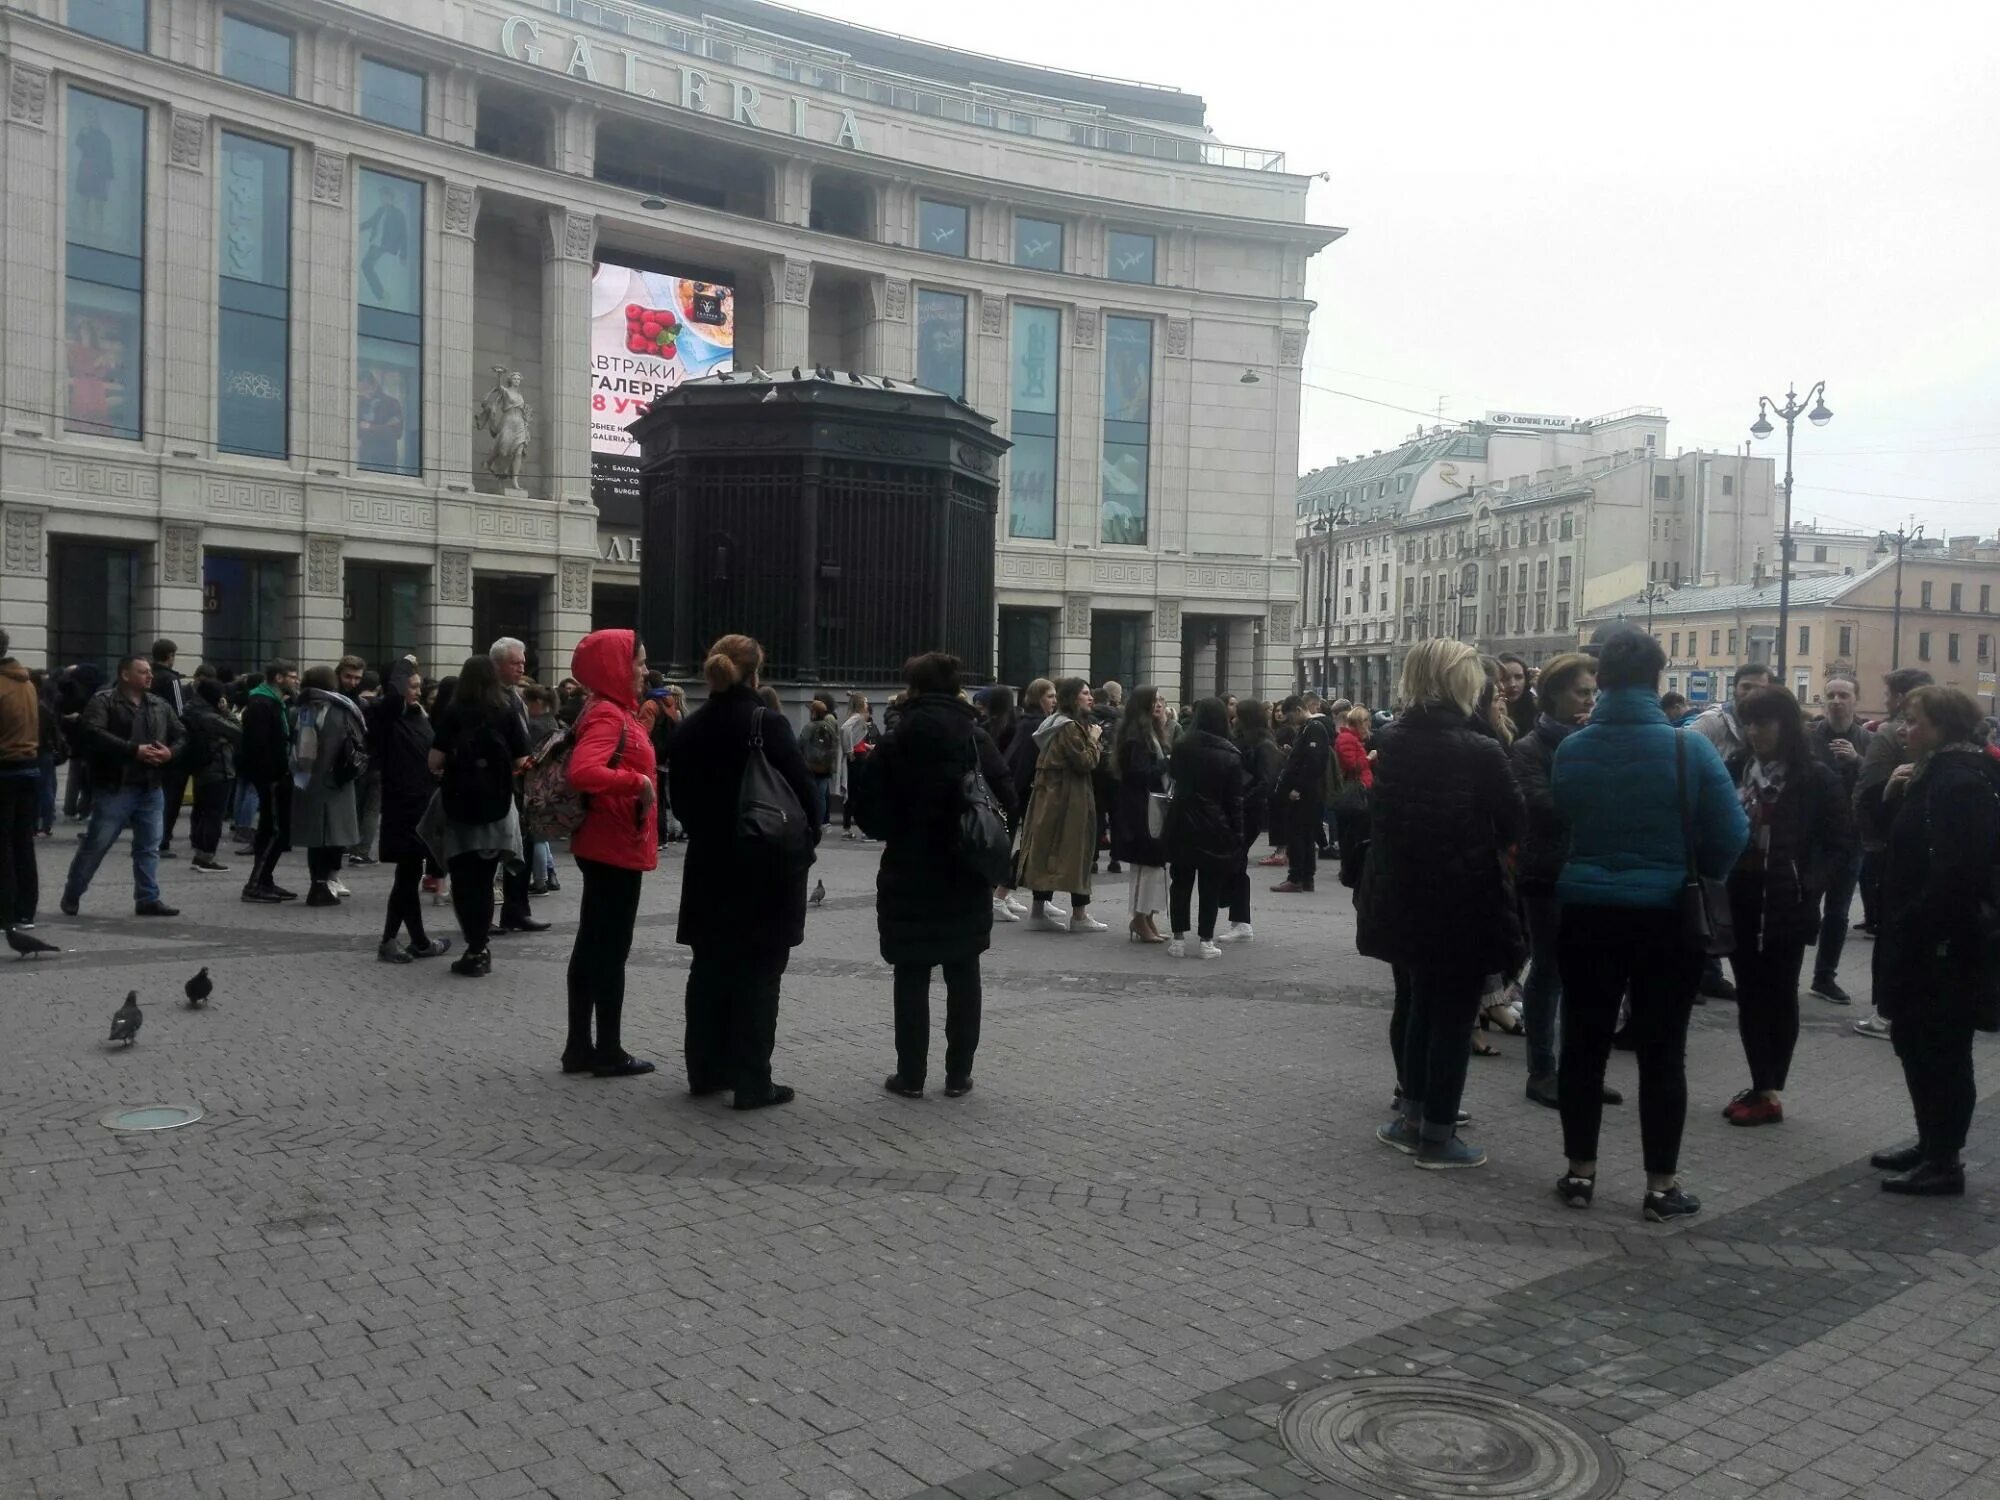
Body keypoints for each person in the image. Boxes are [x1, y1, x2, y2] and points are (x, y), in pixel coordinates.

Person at [1551, 628, 1748, 1220]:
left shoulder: (1572, 749)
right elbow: (1733, 833)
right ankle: (1661, 1186)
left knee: (1582, 1044)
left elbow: (1564, 819)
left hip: (1586, 909)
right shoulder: (1690, 749)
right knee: (1664, 1051)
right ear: (1658, 680)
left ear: (1602, 682)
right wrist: (1697, 872)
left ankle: (1579, 1173)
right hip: (1667, 914)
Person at [1357, 640, 1525, 1170]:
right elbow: (1517, 821)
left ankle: (1410, 1116)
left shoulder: (1392, 738)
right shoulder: (1479, 749)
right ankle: (1438, 1134)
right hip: (1461, 899)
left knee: (1419, 1006)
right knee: (1451, 1018)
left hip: (1403, 895)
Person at [667, 634, 820, 1109]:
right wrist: (805, 843)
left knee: (709, 966)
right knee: (759, 972)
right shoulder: (765, 723)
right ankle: (753, 1080)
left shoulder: (690, 727)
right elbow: (805, 796)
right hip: (763, 868)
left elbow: (683, 803)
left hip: (710, 866)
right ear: (756, 673)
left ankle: (705, 1069)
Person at [854, 653, 1013, 1098]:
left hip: (910, 870)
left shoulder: (896, 740)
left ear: (915, 690)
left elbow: (868, 812)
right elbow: (1008, 798)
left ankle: (910, 1075)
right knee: (964, 971)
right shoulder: (976, 738)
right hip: (966, 871)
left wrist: (900, 828)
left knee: (911, 973)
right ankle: (959, 1074)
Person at [1870, 686, 2000, 1195]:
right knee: (1913, 1039)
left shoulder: (1961, 781)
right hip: (1918, 933)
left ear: (1943, 726)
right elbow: (1889, 837)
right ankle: (1930, 1142)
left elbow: (1959, 869)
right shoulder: (1930, 774)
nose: (1905, 730)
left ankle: (1945, 1160)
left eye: (1914, 721)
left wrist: (1917, 919)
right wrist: (1887, 793)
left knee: (1942, 1047)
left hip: (1945, 941)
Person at [1719, 686, 1855, 1127]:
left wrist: (1807, 884)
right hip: (1740, 896)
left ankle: (1770, 1087)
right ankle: (1763, 1085)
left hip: (1786, 902)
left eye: (1765, 722)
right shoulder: (1737, 766)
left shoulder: (1814, 775)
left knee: (1779, 995)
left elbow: (1839, 843)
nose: (1756, 731)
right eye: (1750, 723)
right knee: (1750, 995)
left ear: (1786, 724)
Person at [1508, 653, 1608, 1110]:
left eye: (1593, 692)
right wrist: (1586, 749)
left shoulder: (1598, 739)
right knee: (1548, 972)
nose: (1590, 699)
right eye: (1581, 692)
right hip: (1546, 873)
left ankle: (1580, 1070)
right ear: (1553, 695)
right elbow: (1545, 808)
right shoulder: (1530, 747)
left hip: (1592, 870)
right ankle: (1541, 1070)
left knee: (1587, 977)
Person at [561, 629, 661, 1078]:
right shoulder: (608, 714)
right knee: (610, 950)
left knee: (592, 945)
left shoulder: (611, 710)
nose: (643, 671)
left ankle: (581, 1046)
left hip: (607, 842)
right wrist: (636, 783)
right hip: (613, 845)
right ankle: (608, 1049)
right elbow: (584, 770)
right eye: (638, 662)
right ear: (617, 667)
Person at [60, 655, 185, 918]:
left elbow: (182, 734)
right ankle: (73, 893)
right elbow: (92, 733)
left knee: (149, 846)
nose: (149, 676)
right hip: (116, 786)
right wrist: (133, 751)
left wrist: (170, 753)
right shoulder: (104, 701)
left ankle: (148, 898)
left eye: (150, 671)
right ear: (125, 675)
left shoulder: (159, 704)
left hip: (150, 785)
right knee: (97, 844)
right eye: (143, 672)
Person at [427, 654, 529, 977]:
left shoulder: (453, 712)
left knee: (463, 880)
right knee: (485, 882)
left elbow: (434, 761)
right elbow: (522, 758)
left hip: (459, 809)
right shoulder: (508, 711)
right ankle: (480, 948)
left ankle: (471, 946)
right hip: (497, 811)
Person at [1852, 667, 1933, 1038]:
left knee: (1892, 934)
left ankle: (1886, 1012)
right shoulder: (1961, 747)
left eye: (1889, 695)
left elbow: (1867, 792)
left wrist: (1870, 838)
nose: (1885, 703)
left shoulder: (1888, 734)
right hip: (1928, 856)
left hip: (1891, 849)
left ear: (1901, 698)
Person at [367, 658, 449, 964]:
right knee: (407, 875)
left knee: (410, 874)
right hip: (403, 807)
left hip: (421, 805)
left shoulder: (417, 715)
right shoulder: (385, 715)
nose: (416, 691)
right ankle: (389, 940)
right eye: (411, 686)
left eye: (418, 686)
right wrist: (404, 663)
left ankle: (419, 940)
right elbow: (393, 695)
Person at [1015, 678, 1106, 932]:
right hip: (1069, 798)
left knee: (1047, 849)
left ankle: (1039, 911)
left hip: (1050, 797)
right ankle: (1079, 915)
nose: (1091, 698)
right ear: (1072, 698)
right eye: (1085, 693)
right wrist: (1094, 739)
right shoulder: (1071, 728)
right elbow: (1085, 762)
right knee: (1076, 850)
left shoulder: (1053, 723)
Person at [1805, 678, 1874, 1006]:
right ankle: (1787, 971)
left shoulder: (1868, 740)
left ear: (1855, 701)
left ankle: (1824, 977)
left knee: (1838, 912)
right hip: (1811, 836)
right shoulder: (1808, 737)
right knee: (1804, 905)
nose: (1836, 701)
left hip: (1851, 838)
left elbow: (1879, 785)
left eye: (1843, 695)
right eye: (1830, 695)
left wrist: (1857, 761)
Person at [1163, 698, 1244, 959]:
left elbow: (1174, 777)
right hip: (1215, 824)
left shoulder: (1182, 746)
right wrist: (1237, 833)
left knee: (1180, 882)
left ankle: (1177, 938)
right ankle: (1206, 940)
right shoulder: (1230, 753)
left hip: (1181, 820)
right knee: (1210, 885)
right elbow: (1234, 800)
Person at [291, 665, 366, 908]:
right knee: (334, 834)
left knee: (317, 838)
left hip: (309, 779)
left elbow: (301, 750)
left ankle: (318, 884)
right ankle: (326, 884)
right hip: (337, 780)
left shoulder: (304, 709)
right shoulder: (342, 709)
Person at [488, 637, 549, 936]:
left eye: (523, 661)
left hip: (520, 785)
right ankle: (482, 915)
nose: (521, 667)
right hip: (496, 787)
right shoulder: (488, 698)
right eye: (515, 662)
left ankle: (517, 911)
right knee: (488, 855)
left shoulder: (515, 697)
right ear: (497, 664)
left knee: (520, 851)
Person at [1109, 686, 1172, 944]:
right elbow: (1138, 773)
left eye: (1161, 700)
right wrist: (1165, 762)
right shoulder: (1136, 737)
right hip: (1141, 807)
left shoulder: (1152, 733)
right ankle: (1139, 917)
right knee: (1146, 865)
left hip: (1151, 805)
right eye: (1154, 700)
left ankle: (1148, 917)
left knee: (1156, 866)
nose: (1159, 705)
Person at [239, 660, 299, 902]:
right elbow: (259, 745)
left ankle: (266, 879)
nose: (296, 681)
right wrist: (275, 773)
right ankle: (255, 884)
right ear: (279, 678)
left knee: (275, 829)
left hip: (275, 775)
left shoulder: (273, 703)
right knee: (274, 830)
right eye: (293, 676)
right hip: (270, 777)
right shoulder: (261, 704)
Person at [1225, 700, 1282, 940]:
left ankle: (1241, 921)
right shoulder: (1251, 741)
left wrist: (1243, 798)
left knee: (1237, 861)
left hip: (1250, 810)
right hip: (1245, 807)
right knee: (1236, 861)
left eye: (1238, 715)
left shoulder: (1264, 744)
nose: (1234, 719)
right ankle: (1238, 919)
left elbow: (1266, 781)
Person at [0, 633, 46, 933]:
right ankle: (25, 910)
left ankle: (6, 912)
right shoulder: (25, 681)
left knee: (2, 845)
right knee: (22, 843)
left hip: (3, 770)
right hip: (28, 768)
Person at [180, 679, 242, 875]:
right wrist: (226, 711)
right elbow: (238, 731)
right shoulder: (210, 717)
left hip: (201, 767)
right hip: (218, 767)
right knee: (214, 815)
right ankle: (206, 856)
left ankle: (199, 851)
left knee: (201, 811)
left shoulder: (190, 710)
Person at [1271, 696, 1329, 894]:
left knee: (1298, 834)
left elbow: (1314, 762)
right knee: (1305, 834)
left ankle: (1296, 876)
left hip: (1305, 792)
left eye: (1290, 716)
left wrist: (1298, 788)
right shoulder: (1306, 729)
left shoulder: (1314, 728)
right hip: (1306, 790)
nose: (1290, 721)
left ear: (1297, 710)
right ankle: (1305, 877)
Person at [146, 638, 191, 860]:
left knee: (150, 792)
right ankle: (162, 840)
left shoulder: (147, 677)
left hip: (146, 740)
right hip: (169, 744)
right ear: (170, 656)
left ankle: (146, 837)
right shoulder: (171, 680)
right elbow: (180, 712)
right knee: (171, 796)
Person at [521, 684, 563, 892]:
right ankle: (549, 874)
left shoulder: (535, 725)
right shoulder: (552, 722)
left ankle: (541, 878)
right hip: (549, 781)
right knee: (540, 833)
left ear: (537, 703)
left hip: (535, 781)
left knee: (535, 834)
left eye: (527, 703)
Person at [1331, 705, 1374, 891]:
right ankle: (1348, 868)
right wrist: (1370, 758)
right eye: (1365, 722)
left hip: (1361, 787)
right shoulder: (1346, 739)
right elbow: (1351, 765)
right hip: (1355, 789)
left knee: (1354, 831)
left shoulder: (1352, 739)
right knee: (1350, 833)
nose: (1368, 726)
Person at [798, 697, 841, 828]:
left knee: (810, 795)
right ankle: (821, 821)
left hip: (810, 767)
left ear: (814, 713)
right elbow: (835, 746)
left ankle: (811, 821)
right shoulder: (829, 727)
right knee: (822, 796)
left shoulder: (809, 727)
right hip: (825, 768)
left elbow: (800, 744)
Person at [838, 691, 875, 839]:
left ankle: (847, 828)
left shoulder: (855, 717)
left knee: (851, 794)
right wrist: (850, 750)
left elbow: (854, 738)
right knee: (860, 793)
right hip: (857, 759)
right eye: (865, 701)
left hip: (857, 756)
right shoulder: (858, 717)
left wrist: (865, 746)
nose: (867, 704)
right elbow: (845, 729)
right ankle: (866, 829)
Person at [1498, 653, 1537, 742]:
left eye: (1518, 677)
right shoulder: (1488, 713)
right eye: (1505, 678)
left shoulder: (1535, 711)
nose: (1512, 684)